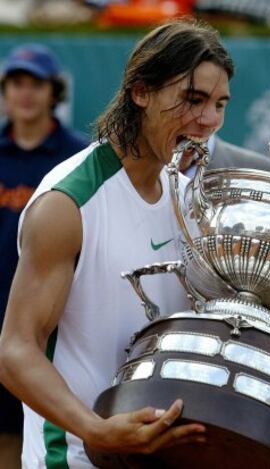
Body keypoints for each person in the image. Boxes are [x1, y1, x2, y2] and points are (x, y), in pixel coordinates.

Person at [0, 20, 270, 468]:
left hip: (165, 454)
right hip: (75, 457)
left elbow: (222, 330)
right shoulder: (68, 204)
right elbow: (15, 349)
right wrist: (93, 427)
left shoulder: (191, 200)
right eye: (193, 99)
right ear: (141, 92)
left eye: (220, 104)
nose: (209, 121)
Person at [0, 43, 89, 468]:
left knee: (40, 437)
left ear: (55, 92)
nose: (25, 93)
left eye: (36, 83)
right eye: (16, 83)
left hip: (52, 330)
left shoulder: (80, 159)